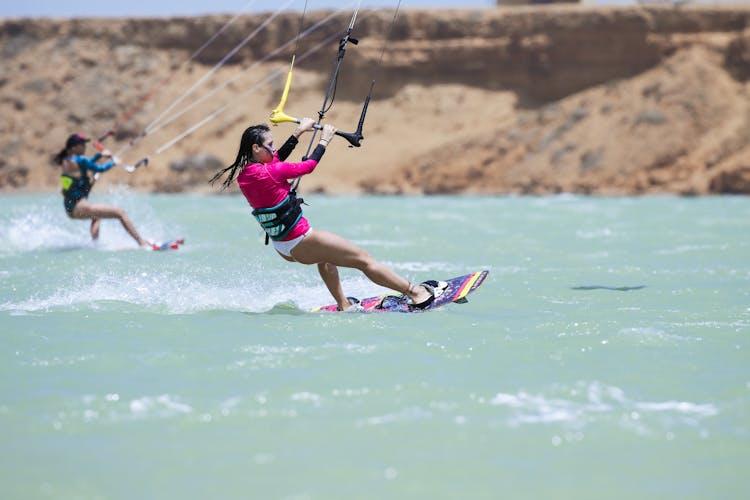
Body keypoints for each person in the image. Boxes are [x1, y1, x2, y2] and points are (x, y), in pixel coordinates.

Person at [210, 118, 440, 311]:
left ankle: (343, 305)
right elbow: (308, 166)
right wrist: (324, 139)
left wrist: (299, 132)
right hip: (300, 240)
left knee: (326, 258)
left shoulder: (247, 175)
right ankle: (416, 294)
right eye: (270, 144)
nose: (274, 148)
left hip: (283, 246)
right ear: (256, 149)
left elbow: (276, 159)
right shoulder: (272, 172)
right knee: (364, 259)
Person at [54, 133, 150, 248]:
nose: (85, 146)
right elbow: (100, 168)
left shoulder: (66, 161)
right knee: (120, 213)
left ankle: (96, 246)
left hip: (70, 210)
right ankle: (142, 243)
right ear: (73, 147)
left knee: (96, 216)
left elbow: (86, 164)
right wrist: (113, 163)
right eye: (82, 144)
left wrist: (100, 155)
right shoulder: (80, 160)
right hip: (80, 206)